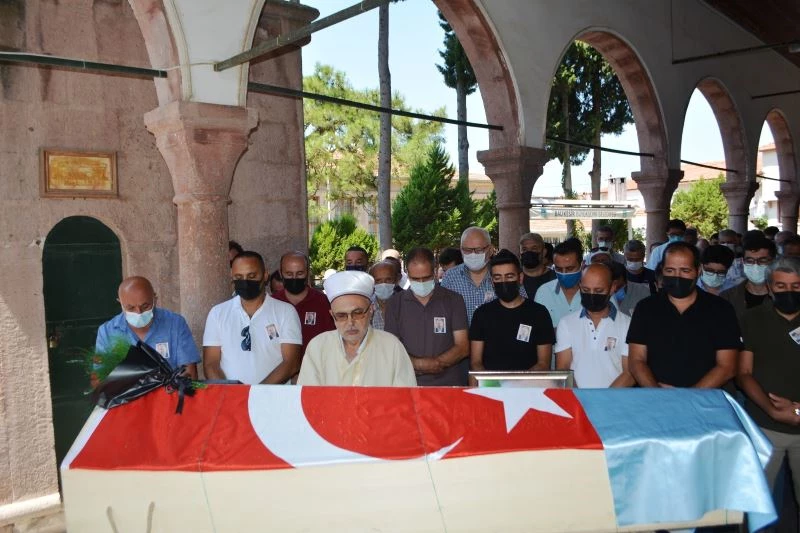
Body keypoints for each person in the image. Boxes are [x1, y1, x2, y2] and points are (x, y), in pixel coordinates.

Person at [736, 257, 800, 519]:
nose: (789, 292)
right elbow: (743, 372)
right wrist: (771, 410)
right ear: (770, 288)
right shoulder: (752, 319)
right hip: (763, 426)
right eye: (781, 286)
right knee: (756, 507)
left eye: (796, 286)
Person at [627, 242, 741, 388]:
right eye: (670, 270)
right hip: (655, 401)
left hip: (704, 403)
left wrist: (687, 397)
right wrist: (657, 393)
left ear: (698, 270)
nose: (677, 276)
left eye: (685, 271)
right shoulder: (645, 308)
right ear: (662, 271)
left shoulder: (721, 309)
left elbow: (727, 367)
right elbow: (636, 361)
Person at [297, 271, 416, 386]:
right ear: (332, 315)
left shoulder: (392, 347)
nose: (350, 322)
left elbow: (404, 400)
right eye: (341, 315)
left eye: (357, 313)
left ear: (371, 310)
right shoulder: (318, 346)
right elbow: (307, 399)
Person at [203, 251, 303, 384]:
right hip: (231, 400)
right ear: (231, 276)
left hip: (275, 399)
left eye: (251, 275)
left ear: (265, 275)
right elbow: (211, 364)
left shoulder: (286, 312)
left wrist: (256, 394)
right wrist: (231, 395)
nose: (245, 282)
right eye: (239, 276)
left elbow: (291, 363)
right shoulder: (217, 313)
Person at [385, 247, 469, 386]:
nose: (421, 283)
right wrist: (418, 364)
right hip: (408, 383)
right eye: (416, 279)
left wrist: (437, 363)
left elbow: (463, 346)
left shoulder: (454, 300)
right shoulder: (395, 303)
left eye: (426, 278)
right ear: (408, 274)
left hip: (448, 384)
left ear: (435, 271)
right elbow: (391, 347)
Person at [95, 276, 200, 384]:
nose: (139, 312)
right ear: (120, 303)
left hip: (169, 397)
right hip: (126, 399)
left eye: (145, 306)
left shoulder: (175, 324)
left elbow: (189, 373)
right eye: (130, 308)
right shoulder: (107, 332)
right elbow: (100, 377)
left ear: (155, 298)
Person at [470, 250, 554, 382]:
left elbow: (543, 363)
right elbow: (476, 363)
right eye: (498, 278)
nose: (503, 282)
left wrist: (516, 383)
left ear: (520, 278)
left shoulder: (539, 313)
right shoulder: (482, 314)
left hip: (528, 390)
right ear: (492, 281)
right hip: (492, 390)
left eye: (509, 276)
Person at [555, 264, 634, 388]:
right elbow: (563, 369)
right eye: (586, 290)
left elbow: (629, 373)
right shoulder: (566, 323)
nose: (592, 295)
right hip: (577, 401)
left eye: (599, 291)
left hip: (614, 401)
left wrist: (603, 399)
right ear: (580, 286)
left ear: (612, 287)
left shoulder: (628, 324)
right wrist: (581, 399)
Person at [443, 226, 526, 324]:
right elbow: (443, 312)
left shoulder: (504, 277)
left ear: (490, 250)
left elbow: (524, 308)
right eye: (467, 250)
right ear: (461, 250)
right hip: (459, 338)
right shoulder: (450, 277)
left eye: (478, 250)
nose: (473, 254)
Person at [271, 251, 335, 360]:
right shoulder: (272, 303)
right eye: (289, 274)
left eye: (300, 273)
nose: (294, 278)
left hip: (316, 371)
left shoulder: (322, 302)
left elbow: (332, 341)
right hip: (280, 372)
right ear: (281, 273)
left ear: (307, 272)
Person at [720, 236, 776, 323]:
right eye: (750, 261)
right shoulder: (727, 297)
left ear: (773, 262)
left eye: (762, 261)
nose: (755, 265)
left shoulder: (783, 297)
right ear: (743, 262)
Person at [534, 239, 584, 332]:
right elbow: (537, 330)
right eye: (559, 269)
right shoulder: (543, 292)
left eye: (570, 268)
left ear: (582, 265)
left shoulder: (597, 291)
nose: (564, 273)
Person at [519, 232, 556, 299]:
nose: (529, 252)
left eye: (534, 248)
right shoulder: (515, 278)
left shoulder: (555, 278)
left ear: (544, 252)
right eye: (524, 249)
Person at [369, 260, 400, 330]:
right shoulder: (366, 306)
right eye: (378, 280)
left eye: (388, 280)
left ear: (396, 280)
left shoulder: (405, 304)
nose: (383, 284)